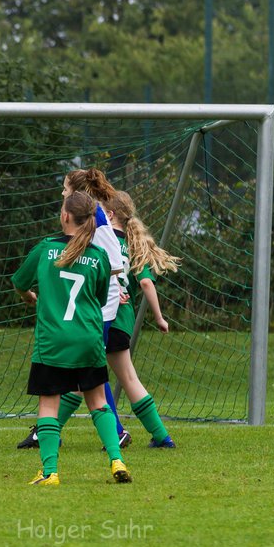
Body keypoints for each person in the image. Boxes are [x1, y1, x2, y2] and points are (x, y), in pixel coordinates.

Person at [12, 191, 130, 485]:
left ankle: (50, 472)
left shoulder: (45, 249)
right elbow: (100, 297)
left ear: (65, 216)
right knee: (98, 402)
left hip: (53, 341)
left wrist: (29, 296)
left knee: (49, 405)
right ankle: (117, 461)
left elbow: (19, 282)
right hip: (88, 338)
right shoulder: (99, 256)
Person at [105, 190, 179, 449]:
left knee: (82, 378)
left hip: (103, 316)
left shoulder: (101, 240)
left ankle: (47, 431)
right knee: (128, 378)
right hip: (123, 321)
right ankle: (161, 437)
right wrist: (159, 317)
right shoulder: (134, 244)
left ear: (110, 214)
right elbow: (146, 282)